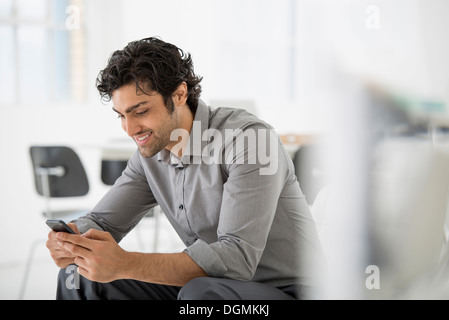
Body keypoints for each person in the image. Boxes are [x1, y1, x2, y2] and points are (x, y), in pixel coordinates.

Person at [46, 37, 325, 300]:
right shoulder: (150, 155)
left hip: (286, 290)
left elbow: (236, 259)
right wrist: (72, 240)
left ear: (179, 94)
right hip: (211, 285)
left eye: (141, 111)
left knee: (200, 294)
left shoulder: (250, 140)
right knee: (78, 276)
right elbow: (102, 223)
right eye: (121, 115)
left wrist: (124, 263)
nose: (129, 129)